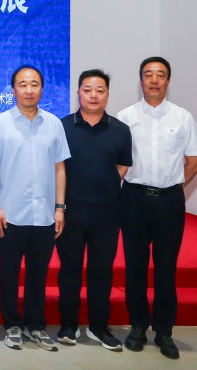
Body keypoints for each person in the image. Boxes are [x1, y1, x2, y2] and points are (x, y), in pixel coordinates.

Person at [117, 56, 197, 360]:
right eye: (148, 74)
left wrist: (174, 186)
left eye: (160, 75)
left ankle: (164, 330)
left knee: (166, 267)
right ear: (141, 80)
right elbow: (117, 161)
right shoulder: (125, 117)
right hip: (134, 199)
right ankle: (138, 325)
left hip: (169, 201)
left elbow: (193, 160)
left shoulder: (182, 117)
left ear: (168, 81)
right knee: (135, 265)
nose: (154, 80)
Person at [0, 65, 69, 352]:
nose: (29, 89)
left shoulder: (54, 124)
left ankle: (36, 325)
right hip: (11, 212)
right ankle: (12, 324)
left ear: (42, 89)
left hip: (45, 213)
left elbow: (60, 169)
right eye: (22, 84)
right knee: (9, 272)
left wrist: (60, 208)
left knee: (38, 272)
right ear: (13, 90)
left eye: (34, 84)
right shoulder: (0, 123)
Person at [56, 69, 131, 351]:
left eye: (100, 90)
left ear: (107, 94)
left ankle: (99, 326)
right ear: (79, 93)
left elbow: (122, 167)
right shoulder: (62, 127)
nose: (93, 95)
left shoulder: (120, 130)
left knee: (102, 271)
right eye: (88, 90)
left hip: (107, 215)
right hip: (70, 214)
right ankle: (69, 323)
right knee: (69, 270)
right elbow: (57, 168)